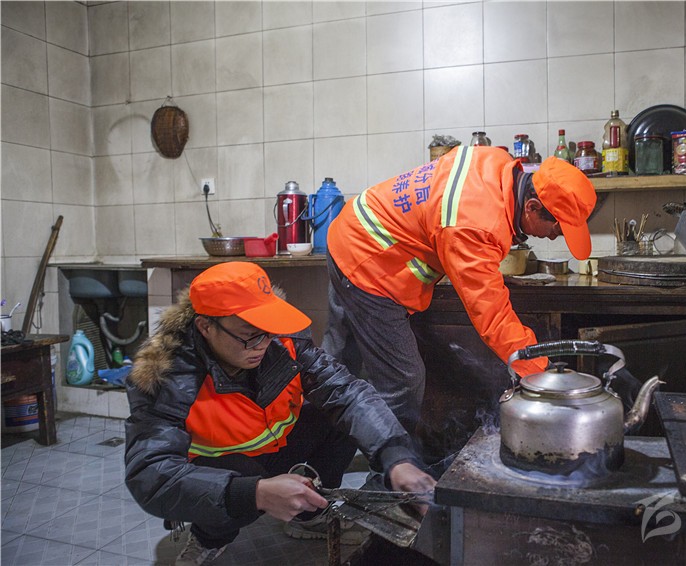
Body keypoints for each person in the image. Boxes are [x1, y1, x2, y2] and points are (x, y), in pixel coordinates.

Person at [124, 262, 436, 566]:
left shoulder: (283, 342)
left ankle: (309, 517)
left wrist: (396, 457)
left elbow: (346, 392)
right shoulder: (168, 376)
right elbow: (151, 474)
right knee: (239, 474)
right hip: (221, 469)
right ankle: (209, 539)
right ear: (206, 327)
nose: (262, 344)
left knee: (336, 417)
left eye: (267, 331)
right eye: (249, 335)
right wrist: (255, 493)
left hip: (272, 448)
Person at [322, 147, 597, 437]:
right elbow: (492, 316)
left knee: (334, 371)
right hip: (368, 262)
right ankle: (392, 464)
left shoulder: (497, 164)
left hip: (351, 229)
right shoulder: (475, 223)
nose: (555, 236)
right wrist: (540, 369)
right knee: (403, 383)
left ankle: (317, 458)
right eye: (557, 228)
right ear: (531, 207)